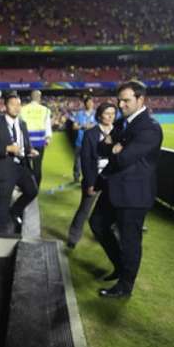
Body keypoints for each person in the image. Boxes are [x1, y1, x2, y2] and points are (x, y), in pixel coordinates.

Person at [90, 81, 163, 298]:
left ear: (141, 100)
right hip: (114, 188)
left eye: (126, 100)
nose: (121, 104)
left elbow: (124, 158)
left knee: (130, 240)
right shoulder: (123, 123)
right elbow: (102, 147)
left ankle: (125, 287)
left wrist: (114, 147)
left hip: (134, 195)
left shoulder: (150, 127)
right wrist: (114, 146)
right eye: (119, 100)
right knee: (97, 224)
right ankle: (121, 268)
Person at [0, 92, 40, 234]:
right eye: (12, 104)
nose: (16, 107)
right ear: (5, 106)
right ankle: (2, 230)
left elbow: (25, 144)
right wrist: (7, 148)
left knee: (32, 191)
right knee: (4, 201)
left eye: (18, 104)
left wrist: (30, 150)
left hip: (21, 166)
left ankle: (15, 211)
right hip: (4, 167)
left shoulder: (22, 124)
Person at [66, 102, 117, 249]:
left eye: (113, 114)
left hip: (113, 178)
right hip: (95, 178)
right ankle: (73, 237)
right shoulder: (90, 134)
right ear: (100, 115)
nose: (110, 117)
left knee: (114, 210)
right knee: (84, 209)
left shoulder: (118, 132)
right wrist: (90, 183)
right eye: (107, 113)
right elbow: (86, 160)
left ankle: (108, 234)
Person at [19, 90, 52, 187]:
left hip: (26, 141)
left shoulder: (23, 109)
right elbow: (47, 125)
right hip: (39, 141)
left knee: (25, 165)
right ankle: (36, 187)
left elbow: (19, 126)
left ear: (30, 97)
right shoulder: (45, 110)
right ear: (39, 97)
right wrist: (48, 138)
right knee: (37, 166)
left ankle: (26, 186)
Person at [72, 96, 96, 182]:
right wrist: (83, 126)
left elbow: (99, 125)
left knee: (90, 161)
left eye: (91, 102)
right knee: (77, 161)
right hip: (80, 141)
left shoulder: (96, 114)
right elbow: (74, 126)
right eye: (88, 102)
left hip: (92, 142)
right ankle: (76, 176)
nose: (90, 104)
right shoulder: (79, 114)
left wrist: (91, 126)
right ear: (85, 104)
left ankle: (88, 177)